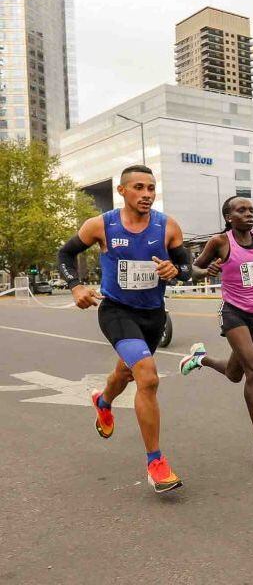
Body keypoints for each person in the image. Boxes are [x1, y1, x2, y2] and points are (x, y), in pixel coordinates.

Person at [58, 165, 193, 494]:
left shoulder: (167, 226)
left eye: (151, 188)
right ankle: (156, 463)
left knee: (125, 372)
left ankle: (103, 401)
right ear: (122, 191)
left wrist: (175, 270)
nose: (147, 194)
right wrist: (76, 286)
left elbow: (187, 268)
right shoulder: (101, 225)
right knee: (147, 376)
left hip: (153, 315)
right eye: (139, 187)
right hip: (117, 311)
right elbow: (66, 253)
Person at [179, 196, 253, 467]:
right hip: (232, 312)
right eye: (241, 210)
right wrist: (208, 270)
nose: (248, 214)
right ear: (229, 217)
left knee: (234, 373)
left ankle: (200, 359)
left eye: (251, 210)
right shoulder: (220, 242)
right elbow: (194, 270)